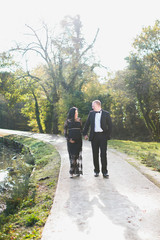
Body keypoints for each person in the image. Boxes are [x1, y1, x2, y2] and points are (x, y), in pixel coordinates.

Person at [83, 100, 112, 178]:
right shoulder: (91, 113)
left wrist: (107, 136)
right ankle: (96, 171)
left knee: (103, 154)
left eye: (93, 105)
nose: (92, 107)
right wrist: (85, 134)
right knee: (95, 154)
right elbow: (87, 124)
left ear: (98, 105)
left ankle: (105, 172)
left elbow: (110, 126)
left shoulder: (106, 114)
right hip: (94, 136)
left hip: (103, 136)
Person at [64, 107, 83, 178]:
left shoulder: (79, 120)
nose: (77, 113)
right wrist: (69, 139)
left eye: (77, 112)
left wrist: (85, 135)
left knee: (77, 156)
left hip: (79, 141)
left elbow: (81, 130)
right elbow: (65, 133)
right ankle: (71, 171)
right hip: (71, 141)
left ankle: (77, 171)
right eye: (76, 112)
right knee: (72, 156)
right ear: (73, 113)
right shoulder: (67, 121)